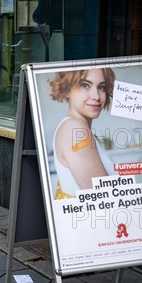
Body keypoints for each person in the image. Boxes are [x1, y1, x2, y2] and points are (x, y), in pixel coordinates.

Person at [50, 68, 117, 199]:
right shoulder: (74, 128)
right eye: (85, 85)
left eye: (101, 87)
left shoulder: (82, 131)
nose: (96, 96)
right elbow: (102, 196)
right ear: (67, 89)